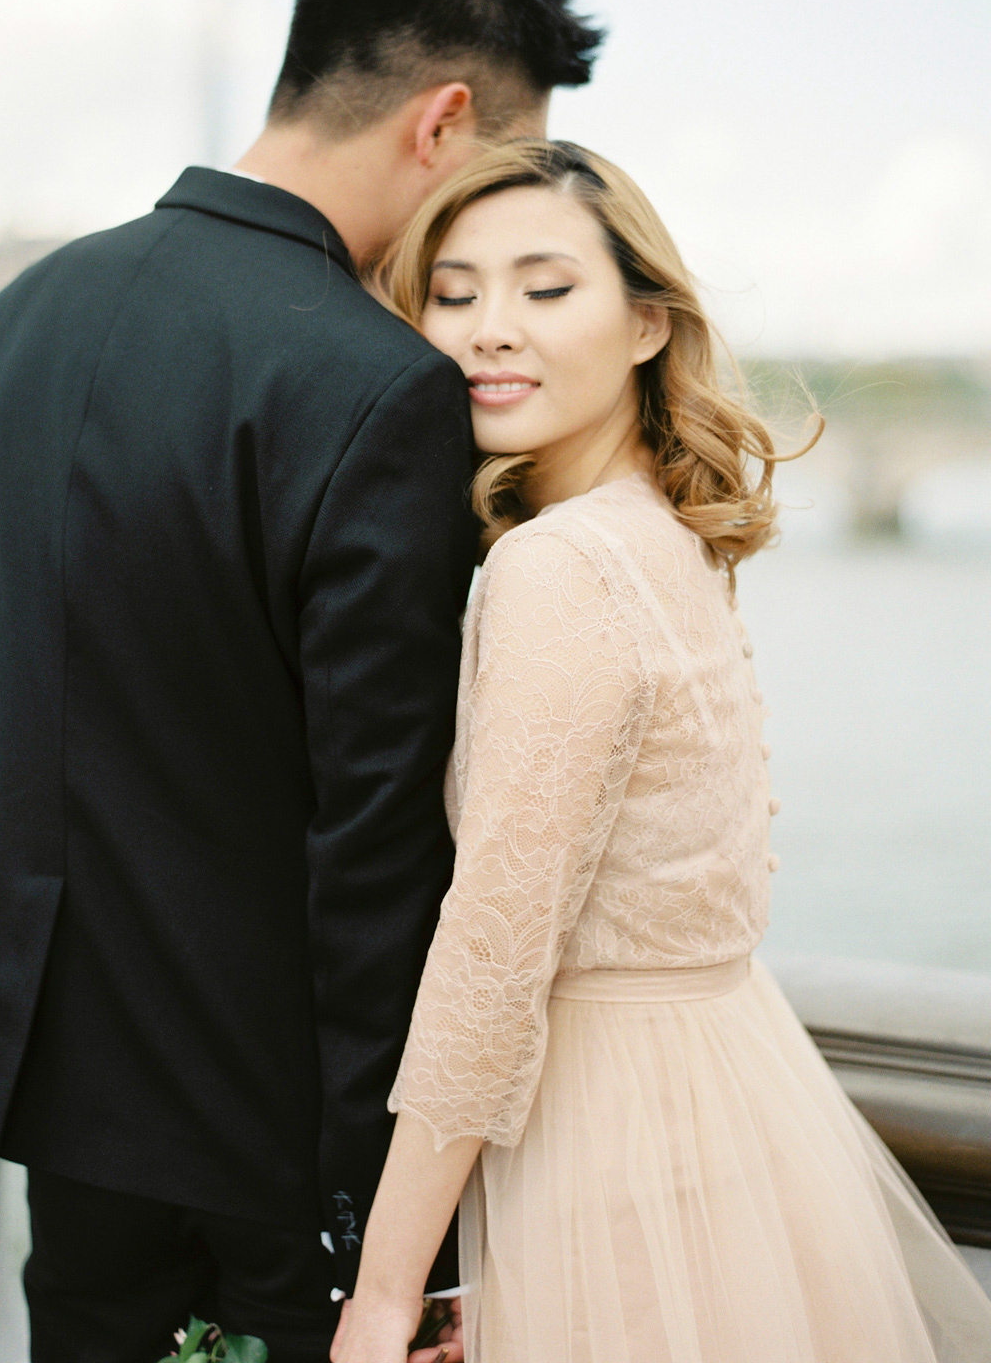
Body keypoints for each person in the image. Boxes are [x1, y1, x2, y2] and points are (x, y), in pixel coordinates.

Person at [0, 0, 602, 1363]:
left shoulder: (26, 311)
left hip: (61, 1087)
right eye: (498, 173)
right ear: (443, 120)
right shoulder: (378, 386)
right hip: (275, 1132)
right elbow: (376, 845)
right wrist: (386, 1233)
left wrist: (147, 865)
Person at [334, 140, 991, 1363]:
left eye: (544, 288)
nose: (489, 330)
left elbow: (495, 946)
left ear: (646, 323)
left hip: (608, 1140)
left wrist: (384, 1290)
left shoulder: (556, 567)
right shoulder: (669, 536)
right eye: (454, 292)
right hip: (727, 1100)